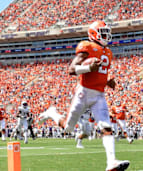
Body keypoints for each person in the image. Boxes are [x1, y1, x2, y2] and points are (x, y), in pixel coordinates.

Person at [38, 20, 130, 171]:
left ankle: (111, 162)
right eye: (103, 33)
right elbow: (72, 69)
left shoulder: (108, 52)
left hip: (99, 94)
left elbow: (98, 73)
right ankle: (52, 113)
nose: (107, 36)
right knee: (68, 128)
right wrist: (88, 67)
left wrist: (107, 82)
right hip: (84, 92)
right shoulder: (87, 46)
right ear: (94, 34)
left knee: (106, 127)